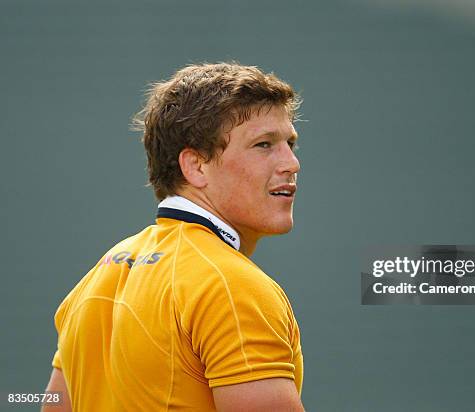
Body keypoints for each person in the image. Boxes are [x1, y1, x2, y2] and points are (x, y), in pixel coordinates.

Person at [42, 63, 304, 411]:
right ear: (195, 166)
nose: (291, 163)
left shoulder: (97, 277)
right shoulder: (231, 288)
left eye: (290, 143)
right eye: (263, 144)